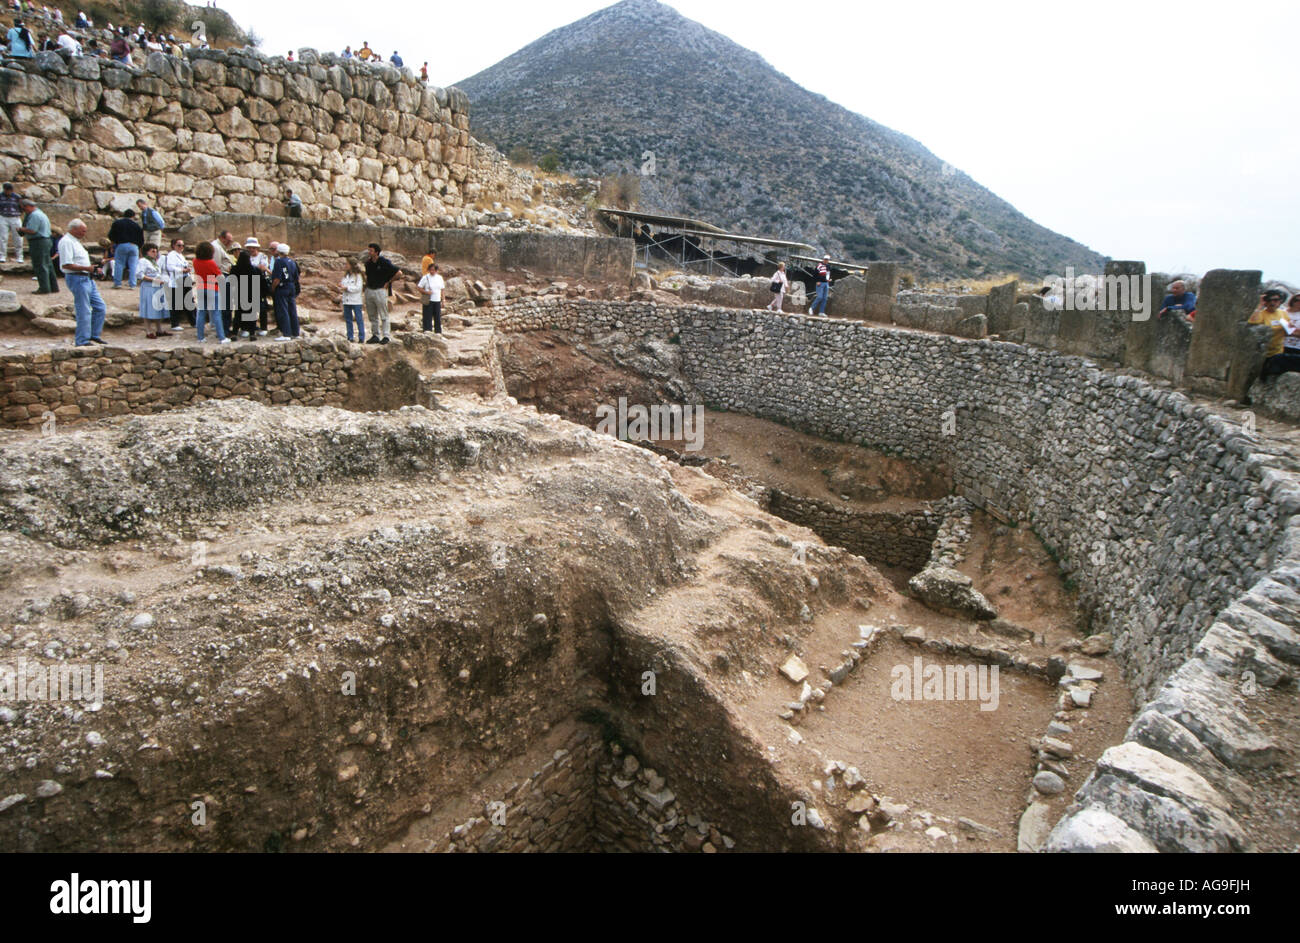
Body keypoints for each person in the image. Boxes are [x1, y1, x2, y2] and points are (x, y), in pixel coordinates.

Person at [58, 219, 106, 346]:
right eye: (82, 231)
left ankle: (94, 334)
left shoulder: (76, 242)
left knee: (100, 307)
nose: (84, 233)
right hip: (77, 278)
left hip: (86, 278)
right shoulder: (67, 242)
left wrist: (93, 269)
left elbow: (80, 261)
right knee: (84, 310)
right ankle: (82, 340)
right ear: (74, 229)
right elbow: (66, 264)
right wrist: (87, 268)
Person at [1250, 290, 1298, 377]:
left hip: (1278, 351)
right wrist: (1260, 305)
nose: (1272, 303)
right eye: (1269, 300)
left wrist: (1290, 327)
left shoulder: (1283, 314)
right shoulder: (1261, 314)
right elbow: (1252, 323)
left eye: (1275, 300)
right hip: (1263, 354)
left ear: (1280, 301)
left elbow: (1289, 331)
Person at [191, 240, 228, 343]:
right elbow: (219, 276)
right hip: (213, 287)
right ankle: (222, 337)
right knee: (216, 313)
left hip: (201, 287)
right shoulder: (211, 263)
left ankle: (200, 337)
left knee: (201, 312)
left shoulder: (195, 261)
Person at [363, 242, 398, 344]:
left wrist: (388, 282)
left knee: (383, 314)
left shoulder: (384, 262)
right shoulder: (368, 263)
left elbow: (398, 273)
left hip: (380, 290)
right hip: (370, 289)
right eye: (369, 250)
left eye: (371, 250)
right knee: (372, 315)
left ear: (377, 252)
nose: (369, 252)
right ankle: (375, 335)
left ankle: (386, 336)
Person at [17, 197, 55, 293]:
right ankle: (53, 287)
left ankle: (44, 288)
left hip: (38, 242)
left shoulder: (35, 215)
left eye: (24, 208)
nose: (24, 211)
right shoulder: (40, 213)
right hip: (45, 240)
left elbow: (32, 230)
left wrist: (21, 229)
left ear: (29, 206)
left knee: (40, 265)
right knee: (48, 264)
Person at [136, 243, 168, 338]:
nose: (155, 253)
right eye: (152, 251)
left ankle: (159, 329)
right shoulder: (143, 261)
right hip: (148, 287)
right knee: (148, 307)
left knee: (158, 307)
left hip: (157, 287)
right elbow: (139, 274)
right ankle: (148, 331)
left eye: (156, 251)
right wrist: (153, 280)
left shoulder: (154, 262)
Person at [270, 243, 300, 341]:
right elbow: (296, 276)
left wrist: (273, 288)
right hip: (291, 286)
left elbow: (277, 278)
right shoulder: (292, 262)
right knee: (292, 310)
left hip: (283, 287)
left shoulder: (279, 262)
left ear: (279, 251)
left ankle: (286, 333)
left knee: (283, 310)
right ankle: (295, 332)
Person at [107, 207, 143, 288]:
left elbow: (111, 235)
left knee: (119, 264)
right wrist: (139, 248)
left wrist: (113, 245)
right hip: (134, 246)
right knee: (133, 265)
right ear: (133, 216)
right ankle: (132, 284)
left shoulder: (117, 223)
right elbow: (141, 239)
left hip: (122, 245)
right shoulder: (136, 225)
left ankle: (117, 283)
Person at [161, 237, 191, 331]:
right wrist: (182, 270)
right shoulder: (171, 255)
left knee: (189, 301)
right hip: (177, 280)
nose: (181, 247)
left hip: (184, 278)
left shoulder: (181, 255)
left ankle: (193, 321)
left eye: (182, 245)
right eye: (179, 245)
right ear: (174, 245)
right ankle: (175, 323)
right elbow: (170, 267)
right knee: (176, 302)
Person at [230, 249, 261, 340]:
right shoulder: (254, 269)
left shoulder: (235, 268)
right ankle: (252, 333)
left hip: (239, 292)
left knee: (238, 313)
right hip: (252, 292)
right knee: (252, 313)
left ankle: (235, 332)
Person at [245, 237, 271, 335]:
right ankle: (250, 327)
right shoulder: (246, 256)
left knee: (262, 306)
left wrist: (252, 267)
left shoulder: (262, 256)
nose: (251, 250)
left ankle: (263, 328)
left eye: (253, 248)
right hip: (248, 283)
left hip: (260, 283)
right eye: (249, 248)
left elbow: (263, 267)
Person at [340, 257, 365, 343]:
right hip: (346, 300)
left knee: (359, 319)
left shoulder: (358, 276)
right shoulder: (345, 276)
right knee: (348, 319)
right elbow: (342, 284)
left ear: (351, 265)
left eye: (347, 264)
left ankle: (361, 337)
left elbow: (358, 288)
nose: (345, 265)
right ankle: (350, 336)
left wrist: (347, 288)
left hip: (356, 301)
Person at [418, 263, 444, 334]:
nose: (432, 271)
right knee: (427, 317)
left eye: (433, 270)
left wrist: (443, 300)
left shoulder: (440, 278)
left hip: (437, 300)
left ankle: (438, 332)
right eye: (430, 270)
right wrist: (426, 292)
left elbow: (442, 289)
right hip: (428, 300)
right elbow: (419, 287)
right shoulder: (425, 277)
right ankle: (427, 331)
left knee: (437, 317)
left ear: (436, 270)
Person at [0, 182, 22, 264]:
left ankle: (19, 256)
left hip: (15, 218)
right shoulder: (0, 196)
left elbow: (21, 208)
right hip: (3, 217)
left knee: (18, 238)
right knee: (3, 238)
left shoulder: (17, 197)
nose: (8, 192)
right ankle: (2, 256)